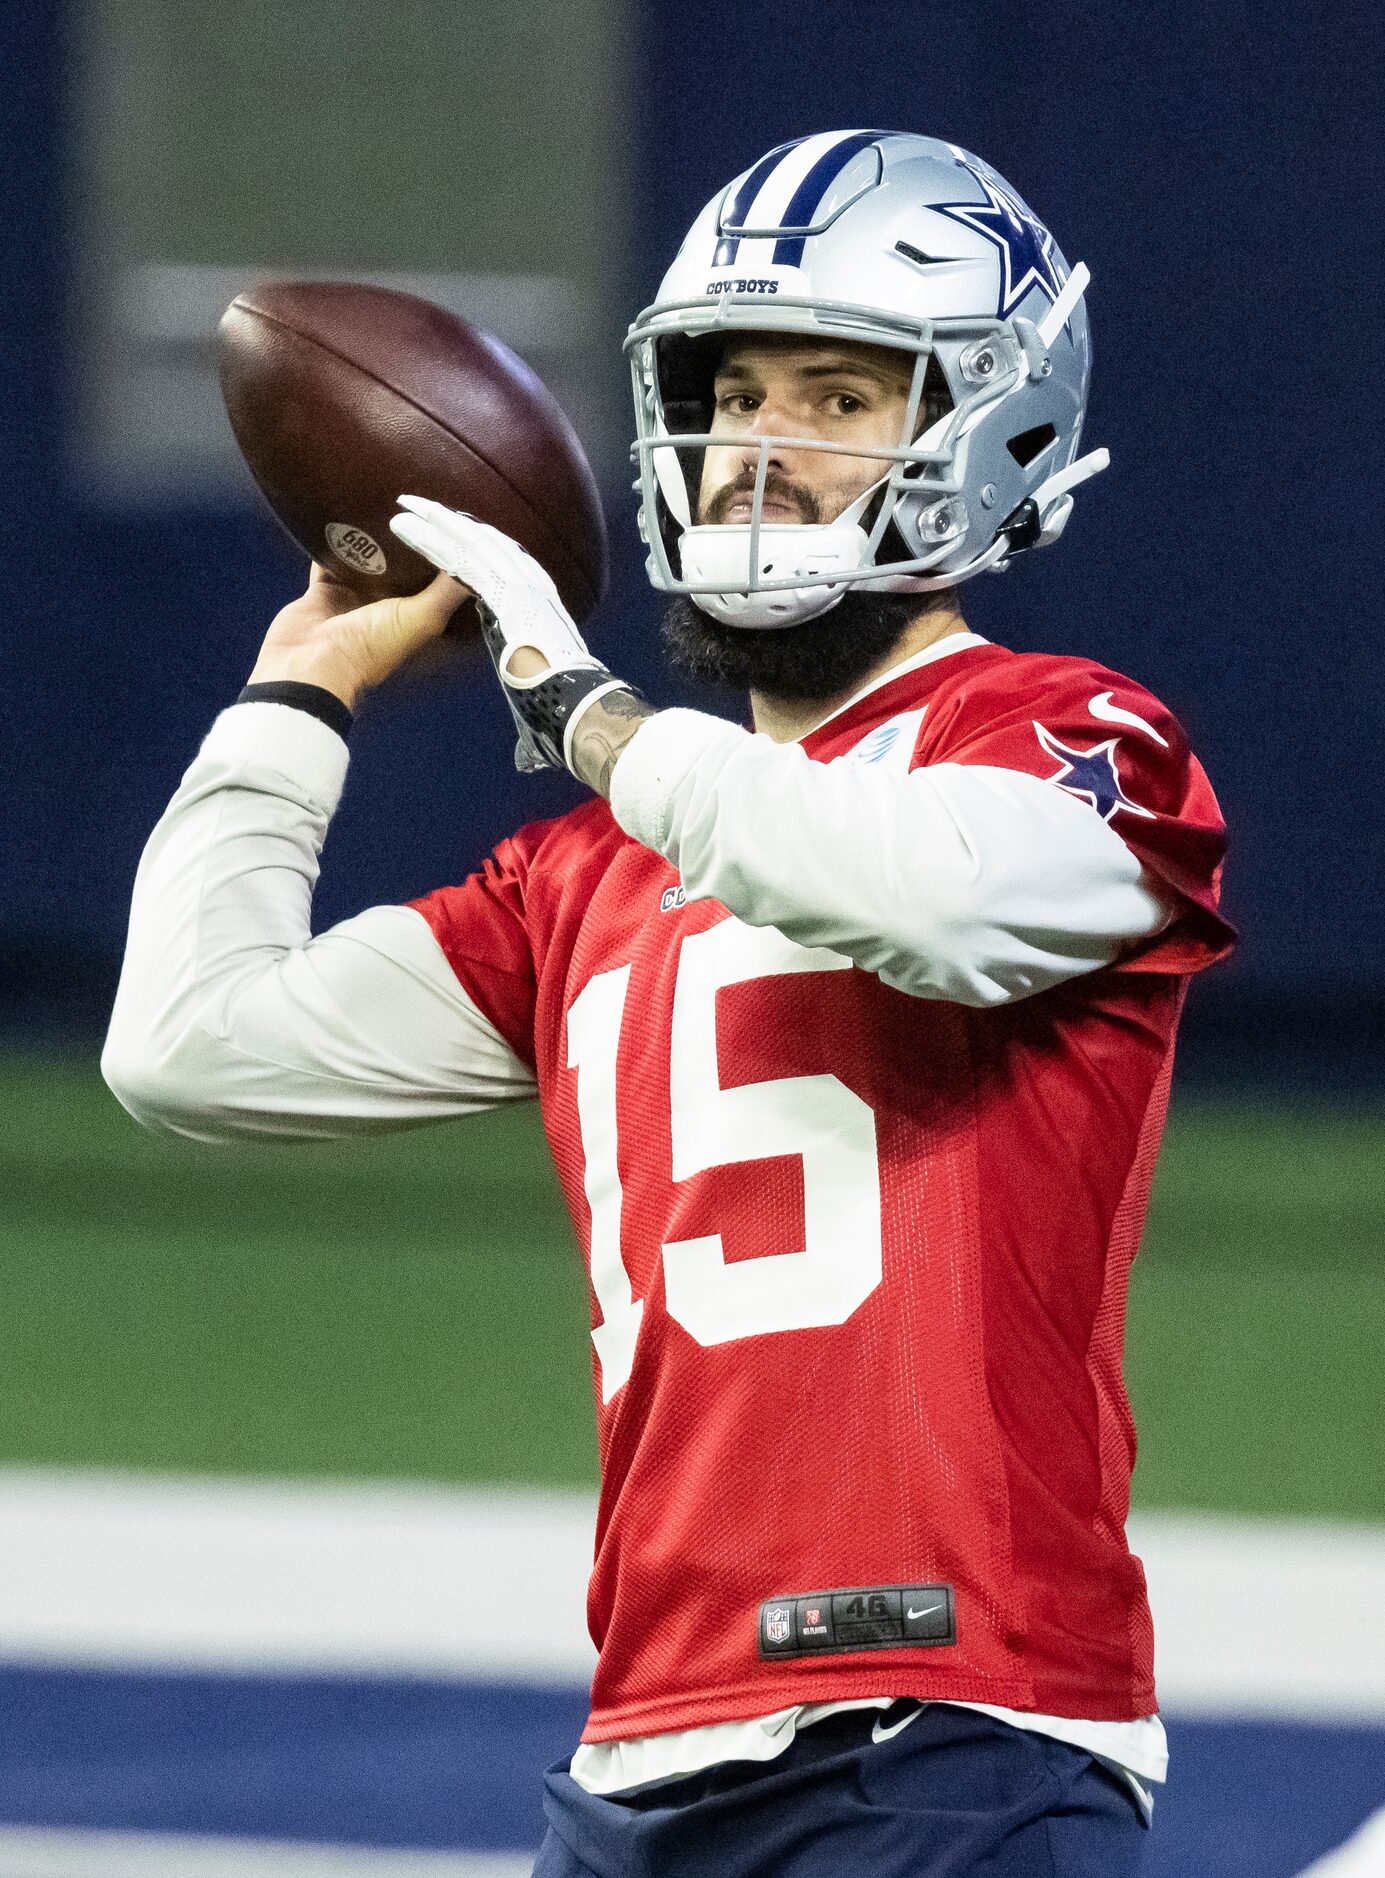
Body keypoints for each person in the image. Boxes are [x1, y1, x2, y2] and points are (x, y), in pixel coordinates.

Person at [103, 130, 1233, 1876]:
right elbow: (189, 1046)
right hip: (644, 1755)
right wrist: (292, 692)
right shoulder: (584, 870)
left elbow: (920, 890)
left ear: (986, 435)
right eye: (734, 386)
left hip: (950, 1735)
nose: (758, 450)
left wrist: (587, 708)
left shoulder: (1072, 736)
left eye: (839, 397)